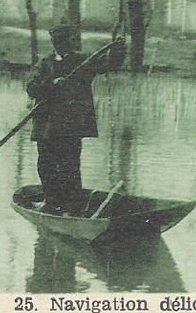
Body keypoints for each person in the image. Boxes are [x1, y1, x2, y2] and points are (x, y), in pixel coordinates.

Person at [25, 23, 125, 214]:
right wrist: (52, 83)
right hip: (46, 126)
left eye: (64, 41)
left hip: (70, 126)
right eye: (56, 41)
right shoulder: (45, 63)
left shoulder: (83, 63)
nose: (60, 45)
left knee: (69, 166)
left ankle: (72, 208)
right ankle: (51, 202)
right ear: (53, 42)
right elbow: (32, 88)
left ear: (71, 42)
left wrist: (119, 49)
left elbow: (109, 64)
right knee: (46, 165)